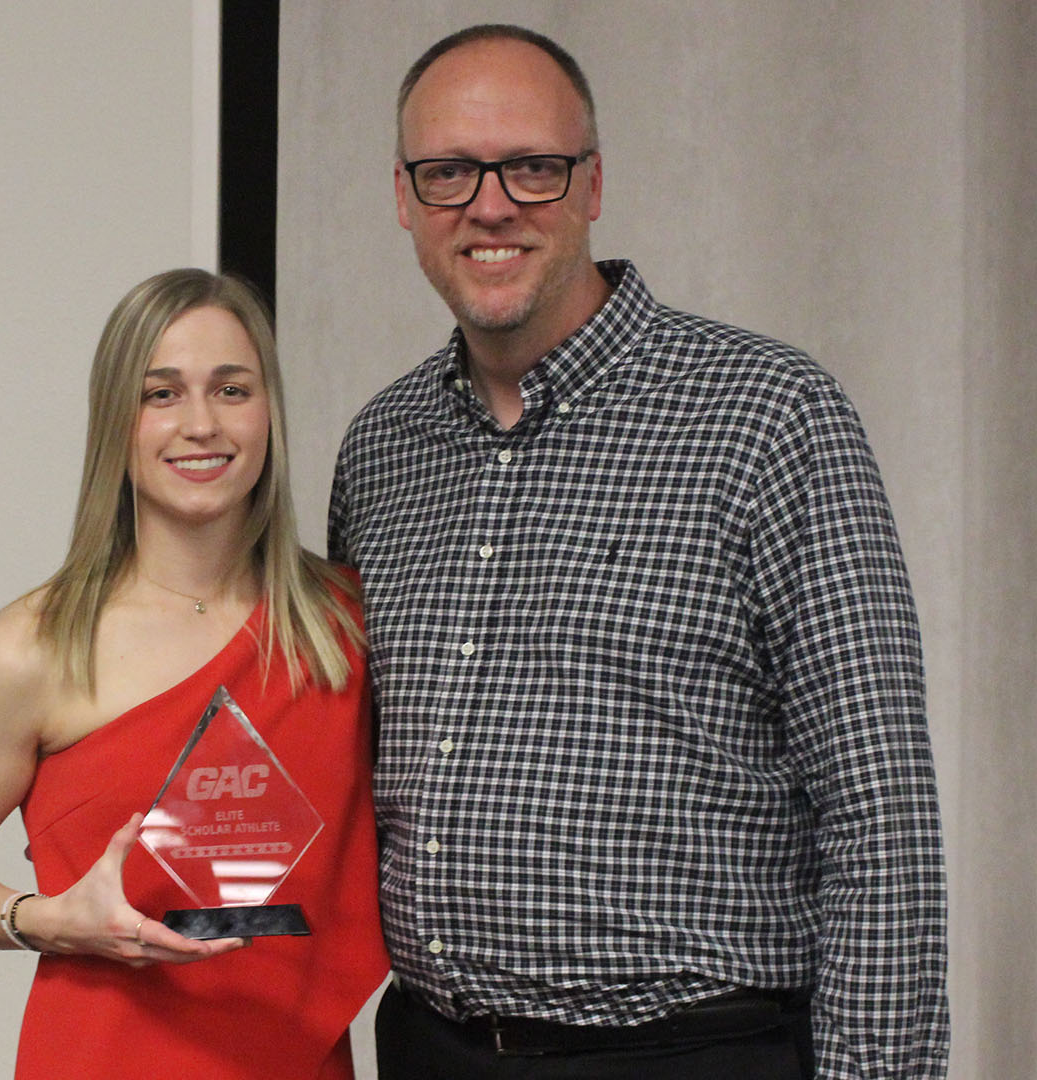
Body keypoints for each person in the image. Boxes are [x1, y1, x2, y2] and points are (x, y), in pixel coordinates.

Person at [328, 24, 949, 1080]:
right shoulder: (382, 449)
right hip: (432, 1048)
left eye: (532, 167)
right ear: (404, 195)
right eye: (448, 172)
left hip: (691, 1052)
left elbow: (879, 813)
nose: (489, 205)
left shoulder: (769, 417)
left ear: (594, 183)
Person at [0, 269, 389, 1079]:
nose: (201, 424)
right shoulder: (32, 650)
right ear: (115, 422)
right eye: (161, 394)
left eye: (232, 389)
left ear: (269, 414)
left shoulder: (346, 627)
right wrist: (46, 919)